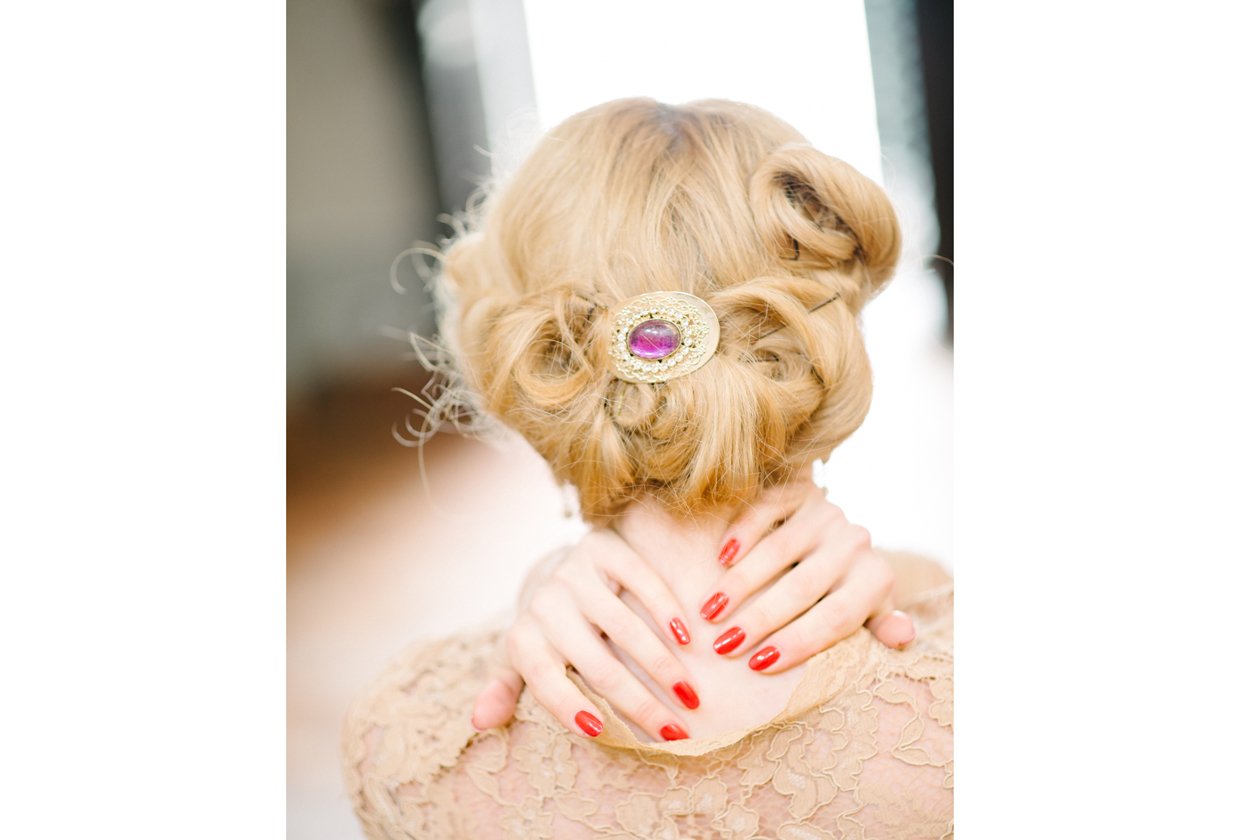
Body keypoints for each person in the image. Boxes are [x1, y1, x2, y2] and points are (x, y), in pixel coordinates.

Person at [343, 97, 952, 838]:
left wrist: (535, 587)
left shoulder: (411, 743)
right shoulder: (954, 712)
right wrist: (902, 572)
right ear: (828, 334)